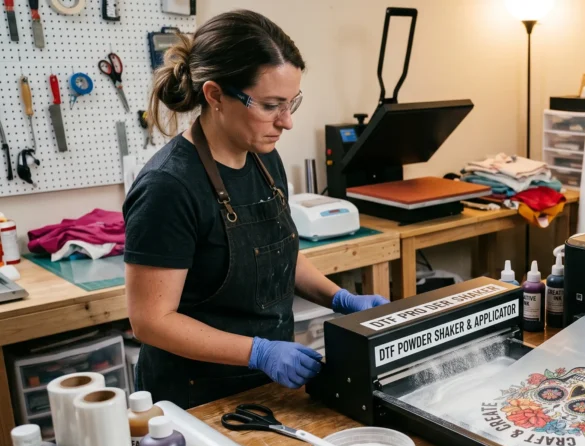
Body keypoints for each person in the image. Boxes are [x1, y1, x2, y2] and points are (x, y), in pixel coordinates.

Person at [123, 10, 387, 408]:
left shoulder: (263, 159)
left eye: (291, 103)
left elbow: (277, 254)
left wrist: (340, 299)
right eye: (270, 105)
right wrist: (259, 351)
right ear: (214, 96)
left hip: (265, 389)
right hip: (196, 401)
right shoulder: (169, 187)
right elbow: (150, 322)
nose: (287, 122)